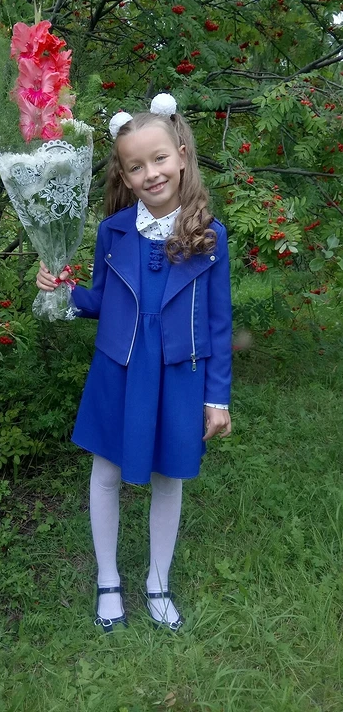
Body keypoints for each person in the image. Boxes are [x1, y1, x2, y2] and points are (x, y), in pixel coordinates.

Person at [36, 94, 232, 632]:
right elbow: (103, 300)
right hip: (118, 369)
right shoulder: (113, 231)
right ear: (124, 175)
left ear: (182, 155)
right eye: (136, 166)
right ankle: (108, 580)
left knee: (170, 476)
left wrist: (217, 397)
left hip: (179, 374)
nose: (151, 173)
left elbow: (218, 322)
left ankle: (158, 582)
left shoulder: (210, 235)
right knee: (106, 472)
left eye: (160, 158)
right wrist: (63, 291)